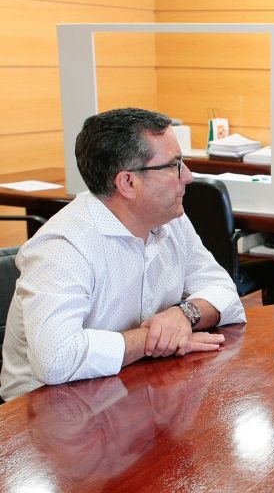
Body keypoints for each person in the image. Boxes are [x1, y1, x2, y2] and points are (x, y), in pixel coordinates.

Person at [0, 107, 246, 402]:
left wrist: (183, 314)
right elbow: (56, 359)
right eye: (175, 165)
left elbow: (225, 293)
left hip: (130, 384)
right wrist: (152, 339)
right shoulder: (62, 246)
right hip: (45, 410)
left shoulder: (171, 220)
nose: (189, 177)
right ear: (128, 182)